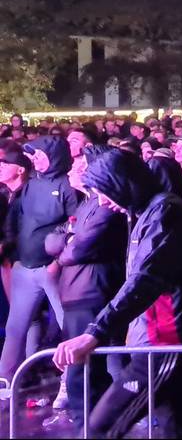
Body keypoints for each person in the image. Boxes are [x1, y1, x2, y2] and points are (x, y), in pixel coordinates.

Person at [53, 149, 182, 439]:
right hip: (166, 345)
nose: (102, 201)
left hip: (166, 347)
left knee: (99, 429)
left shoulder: (165, 213)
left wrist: (95, 333)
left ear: (122, 183)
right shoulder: (150, 213)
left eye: (104, 192)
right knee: (179, 431)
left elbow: (145, 280)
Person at [46, 145, 127, 429]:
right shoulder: (85, 204)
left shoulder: (105, 207)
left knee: (84, 372)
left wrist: (66, 244)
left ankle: (91, 428)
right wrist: (66, 240)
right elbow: (53, 242)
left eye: (78, 166)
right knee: (82, 370)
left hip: (91, 291)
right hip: (76, 291)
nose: (70, 171)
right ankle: (92, 426)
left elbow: (76, 250)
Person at [0, 136, 78, 382]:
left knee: (69, 329)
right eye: (33, 156)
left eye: (39, 155)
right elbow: (19, 220)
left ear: (54, 157)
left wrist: (57, 263)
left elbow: (76, 227)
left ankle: (72, 383)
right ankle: (6, 381)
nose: (35, 159)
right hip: (25, 266)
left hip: (53, 269)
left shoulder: (67, 187)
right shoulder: (31, 185)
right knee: (15, 329)